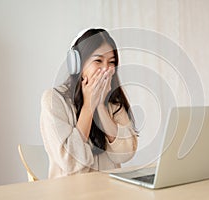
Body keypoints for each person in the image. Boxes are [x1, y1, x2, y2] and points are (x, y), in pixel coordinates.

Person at [40, 28, 138, 179]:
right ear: (77, 65)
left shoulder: (113, 103)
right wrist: (88, 107)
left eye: (111, 62)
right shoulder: (53, 100)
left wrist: (100, 106)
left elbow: (125, 154)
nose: (106, 69)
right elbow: (71, 162)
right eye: (98, 60)